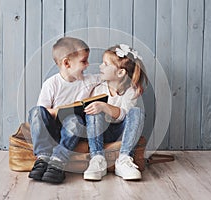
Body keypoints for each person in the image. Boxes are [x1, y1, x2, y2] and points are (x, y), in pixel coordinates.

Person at [28, 37, 101, 184]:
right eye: (83, 61)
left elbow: (111, 77)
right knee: (36, 111)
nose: (87, 65)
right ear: (66, 63)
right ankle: (43, 157)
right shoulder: (51, 84)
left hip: (73, 131)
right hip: (53, 130)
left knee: (74, 120)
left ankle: (58, 161)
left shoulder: (89, 80)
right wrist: (59, 110)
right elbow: (43, 113)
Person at [83, 44, 148, 181]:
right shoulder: (98, 88)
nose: (100, 66)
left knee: (137, 112)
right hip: (100, 131)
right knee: (94, 110)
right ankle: (97, 159)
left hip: (121, 133)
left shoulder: (130, 92)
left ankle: (124, 159)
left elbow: (124, 115)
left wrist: (105, 107)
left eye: (105, 64)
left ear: (120, 73)